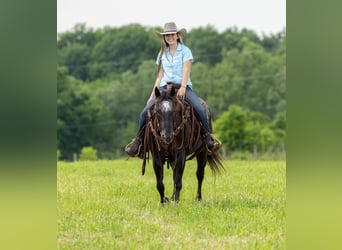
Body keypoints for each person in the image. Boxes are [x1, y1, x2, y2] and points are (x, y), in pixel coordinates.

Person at [125, 22, 220, 158]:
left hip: (182, 87)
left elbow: (186, 70)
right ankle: (138, 144)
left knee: (199, 108)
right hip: (164, 88)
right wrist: (152, 94)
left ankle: (208, 139)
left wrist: (182, 87)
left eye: (172, 34)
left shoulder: (185, 51)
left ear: (177, 36)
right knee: (145, 112)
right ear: (164, 38)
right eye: (167, 35)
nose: (169, 37)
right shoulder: (162, 53)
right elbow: (159, 76)